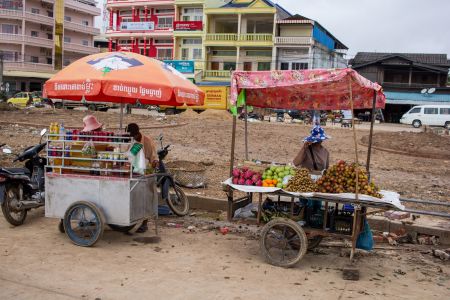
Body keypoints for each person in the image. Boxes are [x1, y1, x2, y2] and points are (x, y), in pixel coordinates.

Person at [126, 123, 158, 233]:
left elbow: (154, 156)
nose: (132, 138)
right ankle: (132, 221)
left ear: (137, 134)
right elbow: (128, 156)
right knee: (134, 198)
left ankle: (144, 223)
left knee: (146, 198)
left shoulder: (147, 141)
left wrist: (154, 162)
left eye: (132, 136)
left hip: (146, 173)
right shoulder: (131, 141)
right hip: (134, 173)